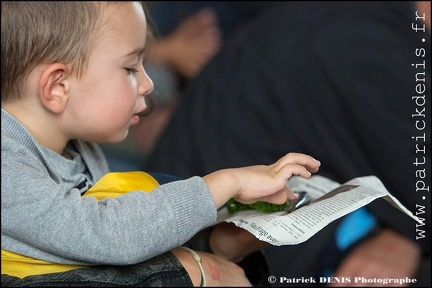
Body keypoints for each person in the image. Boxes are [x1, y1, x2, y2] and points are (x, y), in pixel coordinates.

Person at [0, 1, 322, 286]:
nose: (148, 83)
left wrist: (224, 227)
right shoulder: (7, 168)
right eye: (129, 68)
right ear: (57, 87)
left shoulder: (74, 146)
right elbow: (107, 235)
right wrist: (225, 183)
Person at [144, 1, 431, 286]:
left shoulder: (371, 19)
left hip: (224, 225)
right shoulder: (376, 43)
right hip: (205, 245)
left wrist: (405, 236)